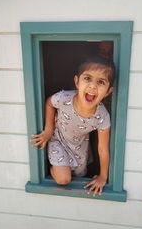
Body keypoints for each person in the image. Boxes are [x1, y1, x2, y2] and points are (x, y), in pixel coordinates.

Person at [30, 56, 114, 197]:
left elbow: (103, 149)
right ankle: (51, 168)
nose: (93, 86)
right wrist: (49, 129)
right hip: (58, 141)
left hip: (80, 147)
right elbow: (49, 103)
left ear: (108, 91)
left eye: (100, 82)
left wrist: (103, 176)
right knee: (64, 179)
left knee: (80, 177)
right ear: (77, 82)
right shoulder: (64, 99)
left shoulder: (103, 116)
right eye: (87, 78)